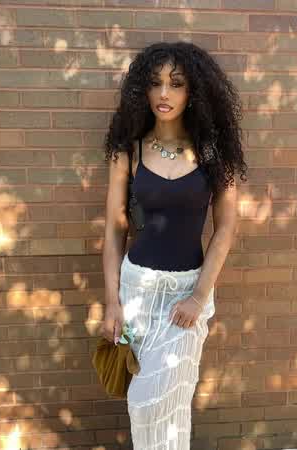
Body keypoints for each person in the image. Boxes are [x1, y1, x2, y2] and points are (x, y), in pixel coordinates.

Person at [99, 41, 247, 449]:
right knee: (148, 407)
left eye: (176, 84)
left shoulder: (215, 154)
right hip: (137, 292)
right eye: (156, 83)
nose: (164, 94)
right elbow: (114, 229)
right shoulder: (128, 151)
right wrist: (112, 302)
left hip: (186, 297)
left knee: (161, 401)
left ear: (193, 91)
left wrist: (199, 297)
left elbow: (226, 228)